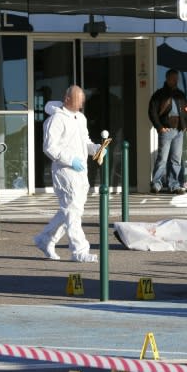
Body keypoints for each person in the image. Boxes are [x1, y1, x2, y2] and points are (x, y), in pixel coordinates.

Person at [34, 85, 105, 263]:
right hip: (64, 171)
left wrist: (96, 149)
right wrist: (70, 160)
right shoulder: (55, 120)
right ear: (67, 99)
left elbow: (85, 140)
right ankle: (79, 250)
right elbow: (49, 147)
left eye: (82, 100)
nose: (81, 103)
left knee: (72, 210)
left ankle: (45, 239)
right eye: (78, 99)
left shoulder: (80, 118)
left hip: (80, 171)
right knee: (72, 212)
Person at [148, 68, 187, 194]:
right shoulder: (159, 94)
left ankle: (174, 185)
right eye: (173, 78)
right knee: (162, 158)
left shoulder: (181, 94)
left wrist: (185, 125)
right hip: (166, 130)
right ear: (167, 79)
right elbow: (152, 112)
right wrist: (159, 127)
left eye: (176, 79)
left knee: (176, 159)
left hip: (179, 131)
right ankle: (156, 184)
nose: (175, 81)